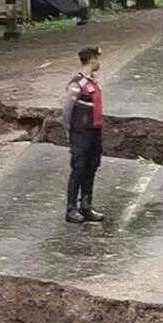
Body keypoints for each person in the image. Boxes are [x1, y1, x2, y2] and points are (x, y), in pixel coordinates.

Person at [60, 46, 106, 224]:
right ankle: (71, 209)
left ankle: (86, 205)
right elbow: (66, 112)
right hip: (80, 134)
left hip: (94, 132)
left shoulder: (93, 82)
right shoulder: (77, 84)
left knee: (91, 167)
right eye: (97, 58)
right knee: (78, 169)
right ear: (91, 59)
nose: (99, 62)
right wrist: (69, 133)